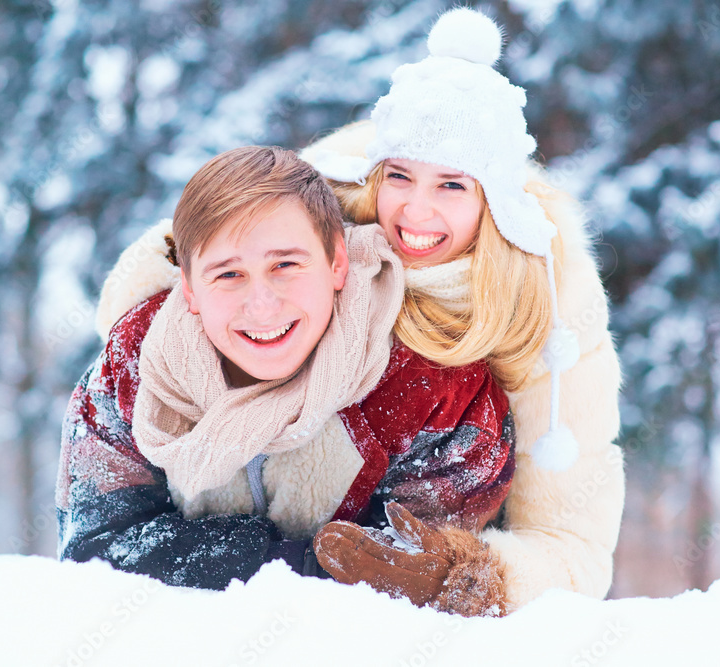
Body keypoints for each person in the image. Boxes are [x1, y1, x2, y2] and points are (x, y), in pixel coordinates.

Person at [57, 145, 517, 610]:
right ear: (190, 290)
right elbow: (96, 556)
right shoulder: (135, 366)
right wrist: (301, 565)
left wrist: (220, 564)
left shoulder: (432, 385)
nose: (262, 305)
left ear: (338, 262)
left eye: (285, 265)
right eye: (229, 274)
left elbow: (430, 583)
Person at [299, 7, 625, 613]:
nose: (415, 214)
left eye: (452, 185)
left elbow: (573, 544)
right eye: (400, 177)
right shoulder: (314, 216)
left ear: (494, 200)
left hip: (427, 579)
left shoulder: (550, 296)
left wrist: (467, 577)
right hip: (271, 541)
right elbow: (177, 276)